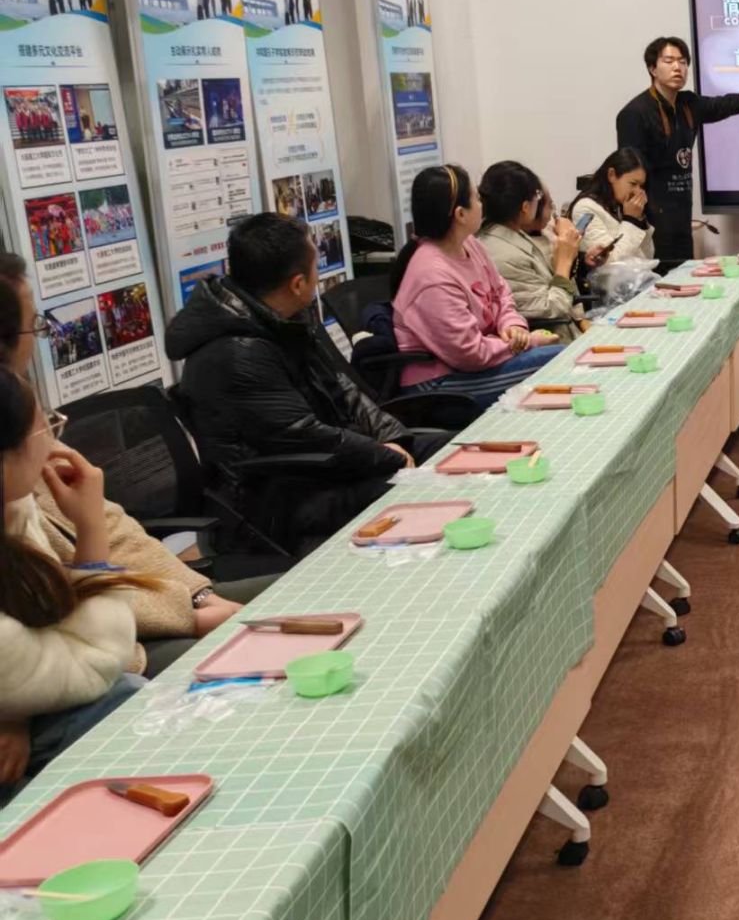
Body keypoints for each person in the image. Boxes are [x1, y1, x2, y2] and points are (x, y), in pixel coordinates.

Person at [1, 253, 259, 677]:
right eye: (35, 326)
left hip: (114, 629)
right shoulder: (15, 465)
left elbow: (111, 532)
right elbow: (73, 631)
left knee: (290, 602)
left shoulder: (17, 414)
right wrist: (189, 614)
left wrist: (198, 597)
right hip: (104, 650)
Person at [166, 215, 448, 555]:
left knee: (448, 450)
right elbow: (304, 433)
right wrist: (385, 457)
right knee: (421, 489)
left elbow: (342, 388)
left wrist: (393, 439)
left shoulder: (280, 318)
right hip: (277, 500)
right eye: (316, 266)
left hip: (321, 466)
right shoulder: (237, 353)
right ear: (298, 284)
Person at [1, 368, 156, 806]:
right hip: (104, 658)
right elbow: (94, 660)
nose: (56, 445)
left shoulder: (15, 507)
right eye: (47, 428)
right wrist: (91, 529)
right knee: (129, 702)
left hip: (92, 659)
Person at [392, 165, 565, 406]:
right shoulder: (431, 275)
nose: (482, 204)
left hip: (479, 361)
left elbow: (501, 293)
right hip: (440, 383)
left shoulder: (470, 244)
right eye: (477, 199)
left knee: (562, 359)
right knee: (560, 361)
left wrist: (513, 327)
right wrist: (526, 343)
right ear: (461, 214)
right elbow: (469, 354)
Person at [614, 36, 739, 265]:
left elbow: (729, 104)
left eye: (683, 62)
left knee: (683, 275)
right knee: (657, 280)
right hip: (650, 221)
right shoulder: (635, 113)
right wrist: (634, 218)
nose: (678, 67)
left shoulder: (688, 104)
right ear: (652, 69)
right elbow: (628, 174)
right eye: (669, 61)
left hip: (681, 215)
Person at [477, 160, 586, 329]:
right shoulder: (506, 256)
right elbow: (551, 309)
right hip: (550, 339)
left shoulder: (511, 234)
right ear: (526, 207)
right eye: (538, 196)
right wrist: (564, 263)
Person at [567, 148, 656, 267]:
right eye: (633, 184)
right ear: (611, 175)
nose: (637, 192)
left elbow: (647, 257)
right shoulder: (585, 208)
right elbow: (611, 264)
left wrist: (640, 221)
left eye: (641, 186)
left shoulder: (621, 206)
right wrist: (631, 220)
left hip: (638, 276)